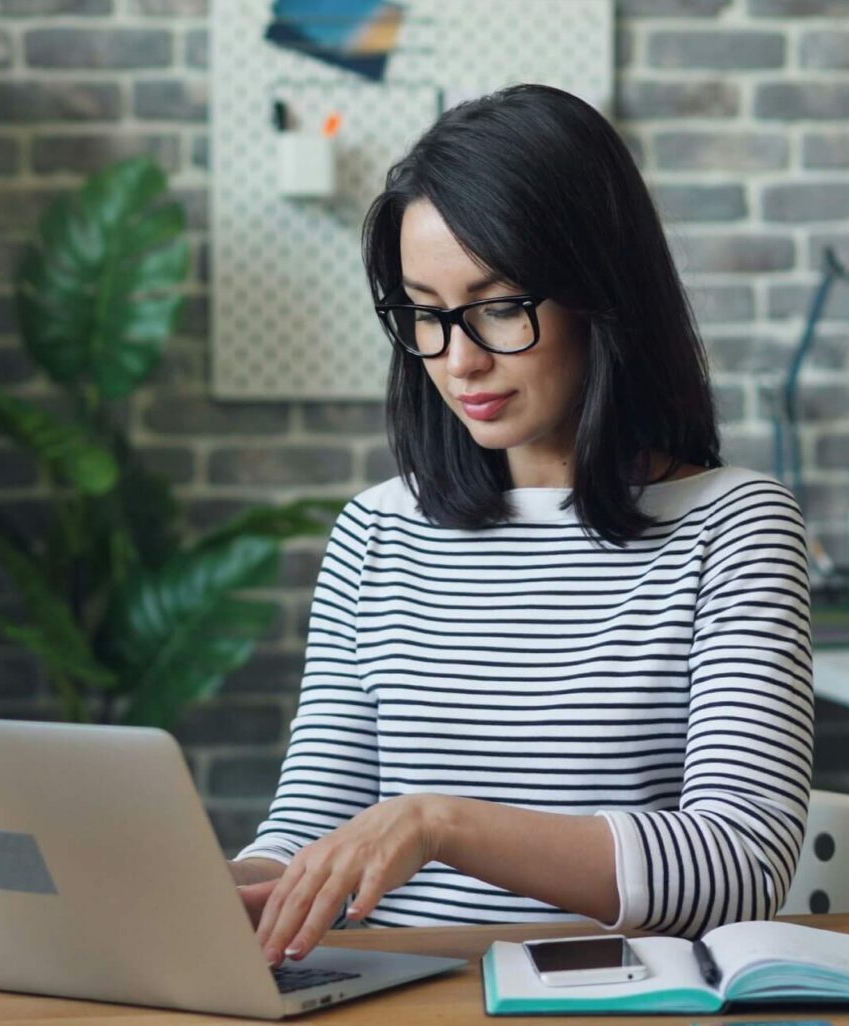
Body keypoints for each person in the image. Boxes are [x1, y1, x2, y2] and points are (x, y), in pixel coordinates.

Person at [227, 84, 814, 969]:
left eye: (498, 307)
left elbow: (739, 866)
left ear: (599, 295)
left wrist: (437, 822)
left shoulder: (732, 528)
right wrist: (231, 897)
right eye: (426, 314)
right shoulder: (377, 532)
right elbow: (313, 820)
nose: (459, 360)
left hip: (615, 998)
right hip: (397, 995)